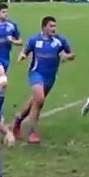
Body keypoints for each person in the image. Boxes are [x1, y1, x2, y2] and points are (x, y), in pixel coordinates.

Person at [13, 16, 75, 144]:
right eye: (51, 26)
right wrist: (22, 56)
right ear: (44, 27)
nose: (54, 29)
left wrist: (67, 56)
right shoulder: (35, 40)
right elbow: (25, 51)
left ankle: (18, 119)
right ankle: (32, 132)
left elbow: (72, 54)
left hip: (50, 77)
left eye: (55, 26)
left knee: (35, 102)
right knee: (39, 99)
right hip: (36, 74)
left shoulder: (60, 41)